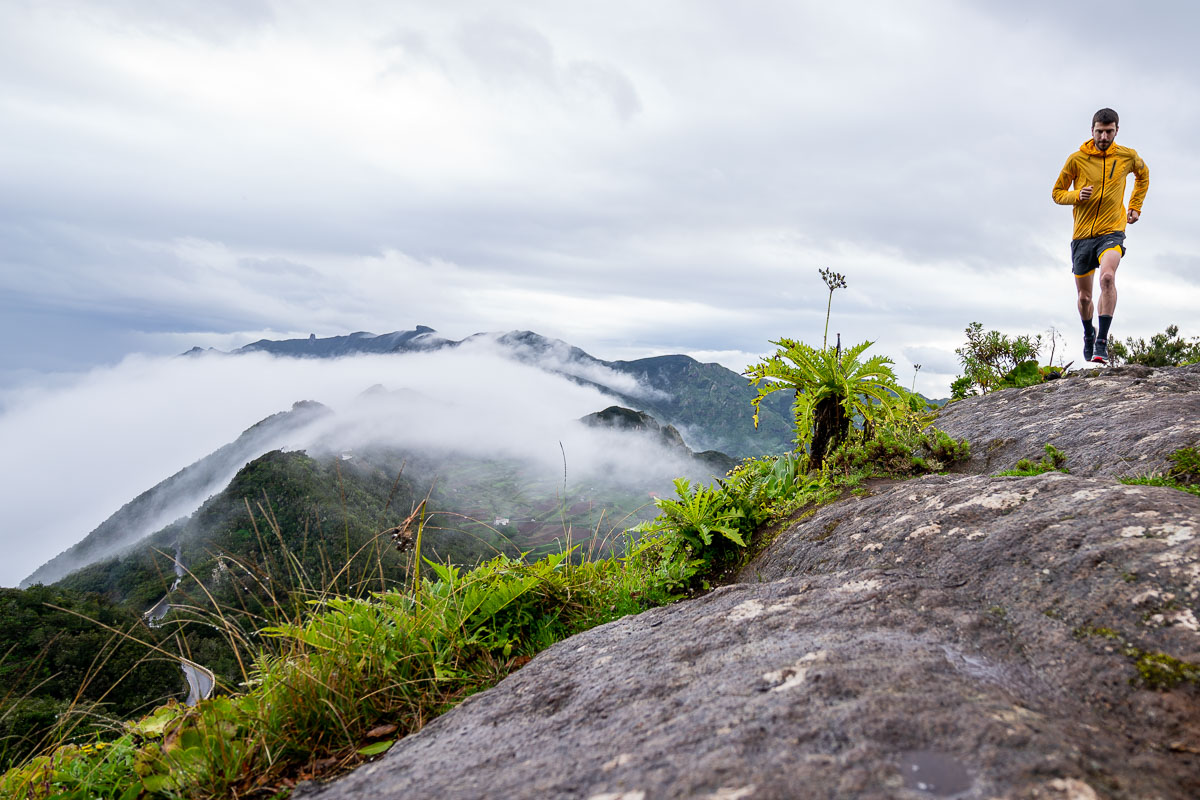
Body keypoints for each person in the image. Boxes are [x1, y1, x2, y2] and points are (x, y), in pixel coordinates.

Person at [1052, 108, 1149, 364]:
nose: (1104, 136)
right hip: (1082, 236)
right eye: (1099, 131)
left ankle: (1101, 342)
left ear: (1117, 130)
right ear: (1091, 130)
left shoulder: (1128, 156)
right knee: (1084, 297)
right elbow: (1057, 193)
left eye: (1108, 131)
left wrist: (1135, 205)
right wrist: (1077, 195)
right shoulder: (1076, 159)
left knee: (1107, 277)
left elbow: (1143, 175)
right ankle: (1088, 333)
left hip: (1112, 232)